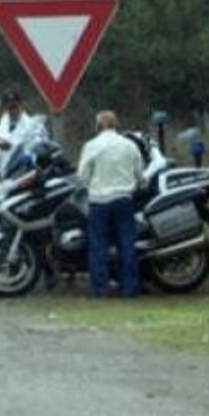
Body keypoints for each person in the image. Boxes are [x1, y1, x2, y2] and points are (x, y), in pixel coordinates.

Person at [78, 110, 144, 298]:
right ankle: (129, 287)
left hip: (99, 201)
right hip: (123, 199)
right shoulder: (129, 145)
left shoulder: (91, 146)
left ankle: (101, 287)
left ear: (98, 126)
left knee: (98, 245)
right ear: (117, 125)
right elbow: (139, 172)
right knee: (127, 244)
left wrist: (92, 186)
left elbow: (82, 176)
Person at [0, 86, 48, 170]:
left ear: (21, 104)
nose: (13, 110)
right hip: (2, 178)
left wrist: (11, 148)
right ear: (5, 107)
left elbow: (39, 151)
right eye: (9, 107)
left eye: (15, 106)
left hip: (24, 175)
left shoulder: (34, 126)